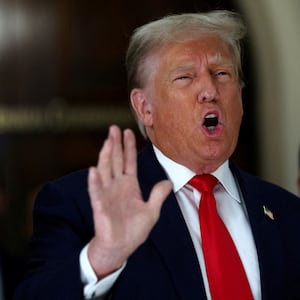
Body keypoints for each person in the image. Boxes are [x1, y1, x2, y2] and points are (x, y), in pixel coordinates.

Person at [14, 10, 300, 300]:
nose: (209, 90)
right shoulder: (76, 205)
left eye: (221, 73)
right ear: (144, 108)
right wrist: (101, 259)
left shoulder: (288, 212)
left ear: (240, 98)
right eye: (186, 76)